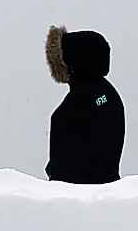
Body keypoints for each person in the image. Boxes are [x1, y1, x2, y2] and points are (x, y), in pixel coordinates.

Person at [44, 25, 124, 185]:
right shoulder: (101, 94)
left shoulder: (91, 98)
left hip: (80, 194)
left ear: (75, 61)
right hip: (90, 192)